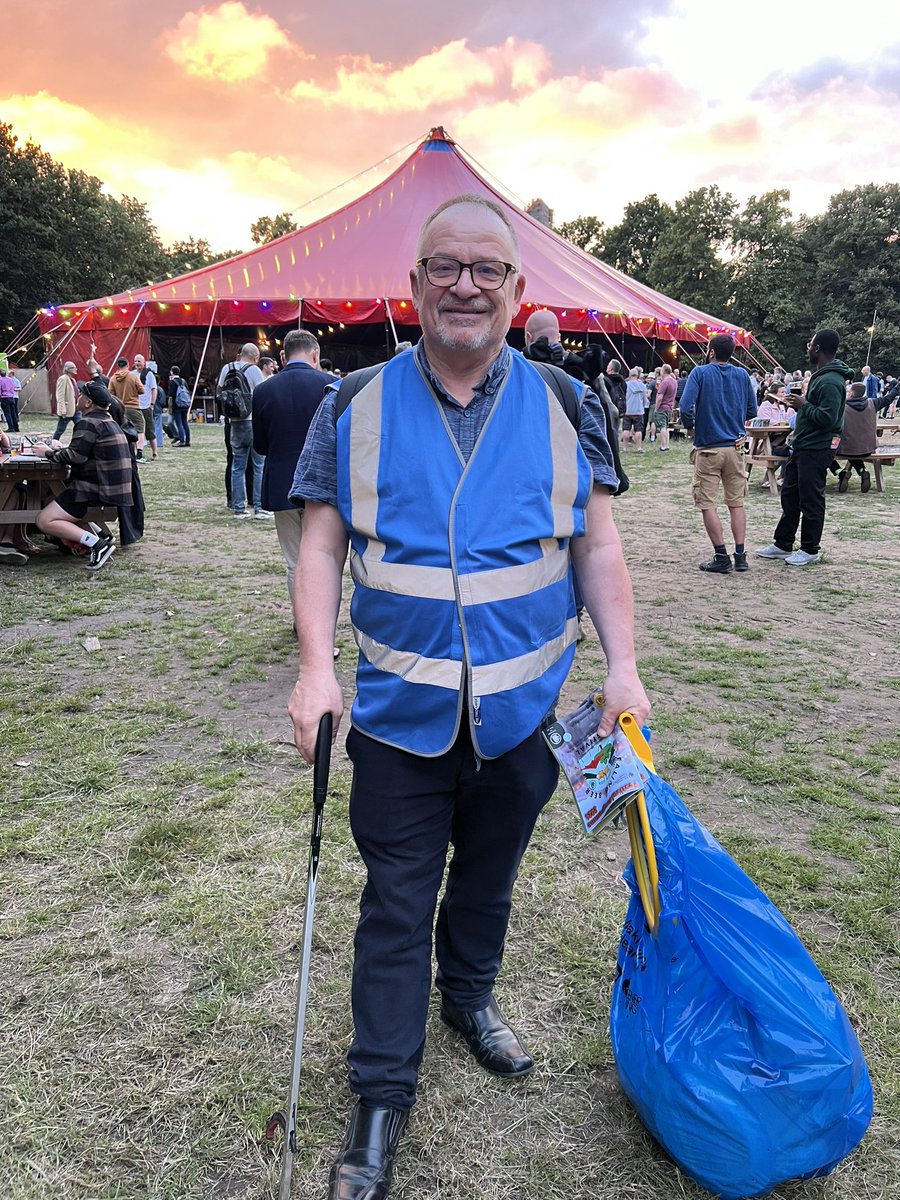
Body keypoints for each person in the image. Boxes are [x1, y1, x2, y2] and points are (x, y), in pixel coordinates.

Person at [288, 193, 649, 1200]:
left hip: (525, 717)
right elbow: (321, 542)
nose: (466, 285)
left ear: (517, 290)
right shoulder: (349, 403)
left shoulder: (571, 405)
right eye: (445, 266)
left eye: (487, 270)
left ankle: (471, 996)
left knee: (488, 880)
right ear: (413, 287)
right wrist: (317, 668)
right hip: (400, 722)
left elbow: (599, 542)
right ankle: (379, 1096)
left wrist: (621, 666)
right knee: (395, 904)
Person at [757, 329, 851, 567]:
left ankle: (810, 549)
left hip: (817, 447)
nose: (808, 347)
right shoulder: (822, 375)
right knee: (791, 495)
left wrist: (804, 404)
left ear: (817, 348)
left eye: (810, 344)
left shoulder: (831, 380)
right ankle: (783, 543)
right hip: (803, 445)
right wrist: (802, 406)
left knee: (811, 498)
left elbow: (829, 418)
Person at [251, 330, 333, 602]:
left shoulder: (263, 390)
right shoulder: (332, 386)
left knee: (294, 561)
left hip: (282, 483)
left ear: (283, 356)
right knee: (325, 558)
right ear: (316, 353)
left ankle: (302, 621)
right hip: (323, 486)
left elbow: (261, 446)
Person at [31, 380, 133, 570]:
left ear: (88, 402)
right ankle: (100, 535)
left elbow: (75, 457)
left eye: (80, 395)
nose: (78, 397)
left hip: (97, 489)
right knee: (51, 496)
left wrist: (47, 452)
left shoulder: (89, 422)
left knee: (43, 520)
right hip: (112, 488)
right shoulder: (108, 421)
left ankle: (96, 544)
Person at [679, 333, 758, 573]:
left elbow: (685, 406)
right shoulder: (742, 375)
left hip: (709, 447)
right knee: (736, 503)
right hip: (735, 448)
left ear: (711, 351)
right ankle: (741, 556)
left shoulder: (700, 373)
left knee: (707, 503)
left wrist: (691, 426)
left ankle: (721, 557)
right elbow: (752, 410)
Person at [217, 343, 267, 519]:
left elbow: (220, 391)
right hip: (252, 421)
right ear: (255, 356)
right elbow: (262, 394)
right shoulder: (254, 370)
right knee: (258, 465)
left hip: (234, 422)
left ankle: (239, 507)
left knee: (237, 466)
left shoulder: (227, 368)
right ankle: (259, 507)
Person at [830, 381, 877, 492]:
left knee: (825, 451)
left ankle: (840, 473)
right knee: (853, 449)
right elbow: (888, 398)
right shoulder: (872, 403)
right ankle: (862, 471)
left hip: (844, 446)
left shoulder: (841, 406)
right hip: (866, 448)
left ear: (851, 394)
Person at [108, 358, 144, 451]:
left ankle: (124, 449)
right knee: (139, 430)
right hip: (133, 407)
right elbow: (142, 390)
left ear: (117, 366)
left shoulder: (113, 378)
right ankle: (139, 451)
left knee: (122, 429)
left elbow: (110, 394)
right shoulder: (133, 377)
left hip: (120, 408)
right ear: (128, 365)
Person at [132, 354, 158, 460]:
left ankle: (155, 452)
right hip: (135, 406)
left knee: (149, 430)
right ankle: (135, 452)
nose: (137, 363)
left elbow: (154, 389)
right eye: (135, 361)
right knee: (134, 431)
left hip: (146, 406)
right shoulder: (132, 374)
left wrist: (152, 403)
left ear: (143, 363)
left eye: (139, 361)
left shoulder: (149, 375)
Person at [53, 361, 80, 440]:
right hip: (67, 409)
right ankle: (54, 442)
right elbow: (60, 395)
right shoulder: (63, 379)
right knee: (60, 430)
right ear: (68, 369)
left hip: (75, 408)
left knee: (80, 426)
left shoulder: (73, 380)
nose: (76, 369)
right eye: (73, 367)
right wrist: (62, 410)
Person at [622, 367, 646, 451]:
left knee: (626, 429)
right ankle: (638, 447)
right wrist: (643, 407)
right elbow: (644, 399)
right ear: (638, 375)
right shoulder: (642, 386)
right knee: (638, 430)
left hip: (627, 410)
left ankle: (624, 448)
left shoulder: (625, 385)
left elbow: (623, 397)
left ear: (629, 375)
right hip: (638, 411)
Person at [167, 367, 192, 447]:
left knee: (179, 423)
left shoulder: (172, 382)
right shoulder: (183, 381)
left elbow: (170, 394)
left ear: (171, 372)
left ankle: (181, 441)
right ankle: (187, 441)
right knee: (185, 423)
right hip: (185, 404)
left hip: (177, 405)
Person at [654, 363, 676, 451]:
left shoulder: (664, 382)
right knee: (666, 427)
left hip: (662, 407)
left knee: (662, 427)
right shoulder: (674, 381)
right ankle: (667, 445)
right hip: (670, 407)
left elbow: (660, 397)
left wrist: (656, 408)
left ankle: (663, 446)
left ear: (664, 371)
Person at [0, 367, 18, 432]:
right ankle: (16, 427)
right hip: (11, 397)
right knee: (13, 413)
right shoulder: (10, 379)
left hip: (4, 398)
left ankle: (11, 427)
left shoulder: (0, 380)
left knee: (7, 413)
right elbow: (13, 387)